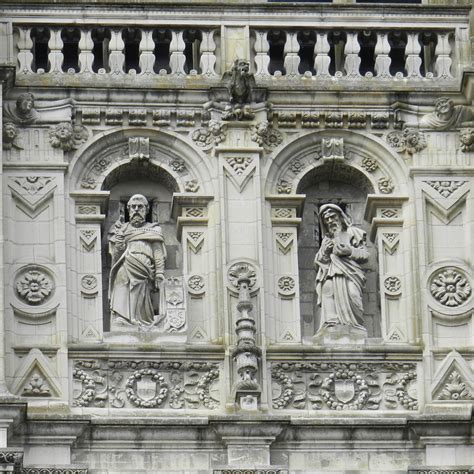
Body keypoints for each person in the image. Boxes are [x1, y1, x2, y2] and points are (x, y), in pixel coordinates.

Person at [108, 194, 166, 327]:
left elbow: (158, 252)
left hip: (144, 268)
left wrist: (159, 273)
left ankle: (139, 320)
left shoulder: (154, 229)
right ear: (128, 210)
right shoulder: (121, 229)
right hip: (125, 264)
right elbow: (116, 256)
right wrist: (119, 242)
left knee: (140, 292)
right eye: (133, 207)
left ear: (146, 209)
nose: (136, 210)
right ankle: (122, 318)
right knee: (122, 285)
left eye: (140, 207)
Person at [313, 204, 369, 332]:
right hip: (331, 272)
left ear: (340, 216)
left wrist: (349, 251)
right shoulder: (326, 240)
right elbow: (318, 263)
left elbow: (365, 255)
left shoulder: (353, 233)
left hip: (351, 273)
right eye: (326, 220)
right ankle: (331, 325)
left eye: (333, 217)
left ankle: (353, 326)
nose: (330, 221)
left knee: (353, 294)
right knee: (328, 292)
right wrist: (325, 252)